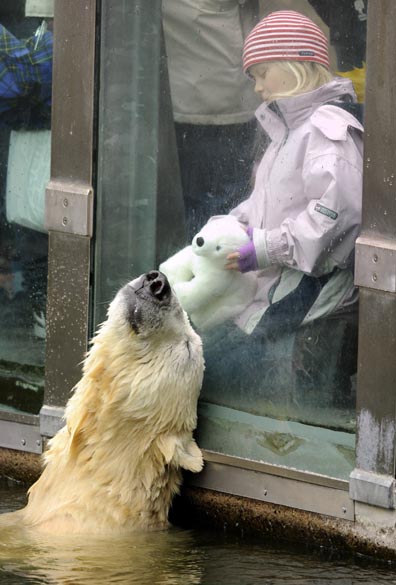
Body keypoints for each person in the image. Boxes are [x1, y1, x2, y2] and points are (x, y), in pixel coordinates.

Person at [200, 10, 363, 406]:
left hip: (312, 284)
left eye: (261, 72)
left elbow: (334, 217)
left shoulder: (326, 130)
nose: (256, 87)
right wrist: (230, 227)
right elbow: (265, 201)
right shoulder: (286, 131)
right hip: (281, 276)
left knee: (234, 370)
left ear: (295, 66)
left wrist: (267, 247)